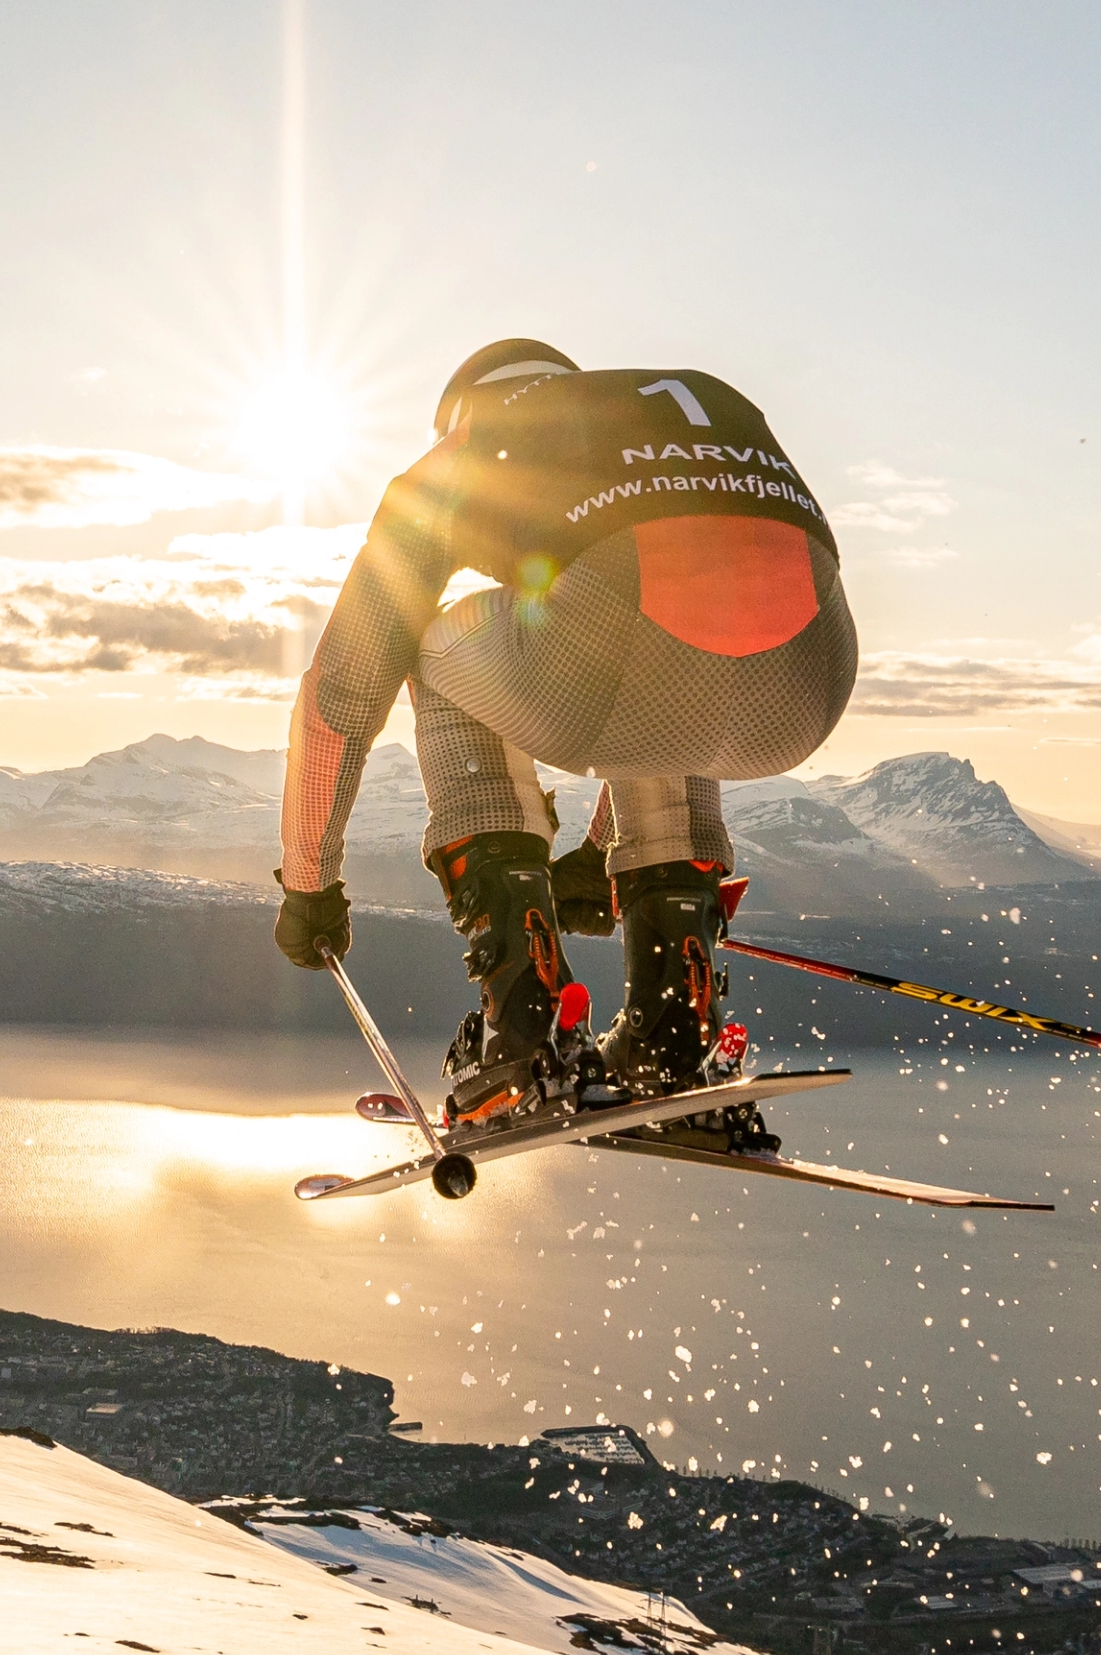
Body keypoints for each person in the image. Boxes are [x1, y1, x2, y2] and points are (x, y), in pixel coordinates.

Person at [269, 338, 857, 1124]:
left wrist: (310, 883)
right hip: (810, 687)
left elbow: (340, 693)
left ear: (461, 415)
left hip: (624, 652)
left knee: (433, 647)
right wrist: (606, 859)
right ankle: (675, 1025)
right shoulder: (692, 409)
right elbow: (686, 646)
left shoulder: (468, 451)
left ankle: (524, 1015)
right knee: (648, 609)